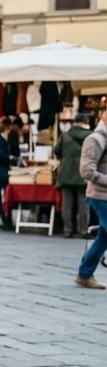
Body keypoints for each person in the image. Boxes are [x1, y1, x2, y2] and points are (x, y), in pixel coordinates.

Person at [76, 109, 107, 289]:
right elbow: (86, 171)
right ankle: (84, 274)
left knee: (103, 238)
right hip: (100, 196)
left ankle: (85, 274)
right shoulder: (95, 139)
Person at [55, 113, 92, 237]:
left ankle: (67, 230)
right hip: (84, 174)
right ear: (85, 123)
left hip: (66, 173)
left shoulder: (65, 136)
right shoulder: (90, 136)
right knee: (83, 203)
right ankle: (83, 230)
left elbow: (57, 151)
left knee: (67, 203)